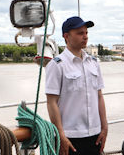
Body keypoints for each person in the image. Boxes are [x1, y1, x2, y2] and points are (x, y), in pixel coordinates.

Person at [45, 16, 108, 155]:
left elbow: (99, 96)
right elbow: (51, 102)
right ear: (66, 36)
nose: (85, 37)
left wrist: (104, 127)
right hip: (70, 136)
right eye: (80, 33)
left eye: (86, 33)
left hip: (95, 135)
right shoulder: (57, 65)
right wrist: (60, 134)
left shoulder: (93, 63)